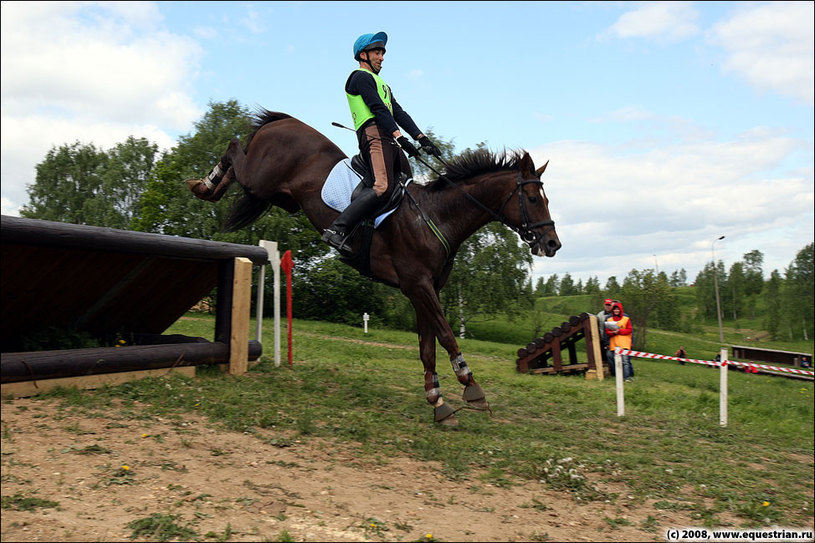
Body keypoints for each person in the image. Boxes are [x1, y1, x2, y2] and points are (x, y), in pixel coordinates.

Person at [321, 31, 441, 256]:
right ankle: (338, 229)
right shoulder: (359, 77)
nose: (382, 57)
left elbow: (398, 112)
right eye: (378, 52)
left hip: (388, 138)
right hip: (374, 136)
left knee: (407, 186)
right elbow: (376, 108)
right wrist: (399, 136)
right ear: (363, 55)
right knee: (382, 186)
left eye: (383, 53)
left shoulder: (383, 84)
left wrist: (421, 138)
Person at [605, 301, 634, 381]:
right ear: (613, 310)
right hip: (614, 344)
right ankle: (616, 375)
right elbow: (607, 332)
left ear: (620, 310)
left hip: (624, 343)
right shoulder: (609, 319)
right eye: (615, 309)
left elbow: (629, 330)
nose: (616, 311)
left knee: (625, 361)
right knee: (610, 356)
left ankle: (626, 377)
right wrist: (613, 333)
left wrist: (619, 331)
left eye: (617, 309)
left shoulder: (626, 319)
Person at [596, 298, 614, 373]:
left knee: (611, 355)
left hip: (613, 338)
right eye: (607, 305)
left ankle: (614, 370)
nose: (608, 306)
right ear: (604, 305)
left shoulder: (615, 313)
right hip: (603, 338)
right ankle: (605, 370)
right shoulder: (600, 315)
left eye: (609, 305)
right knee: (603, 355)